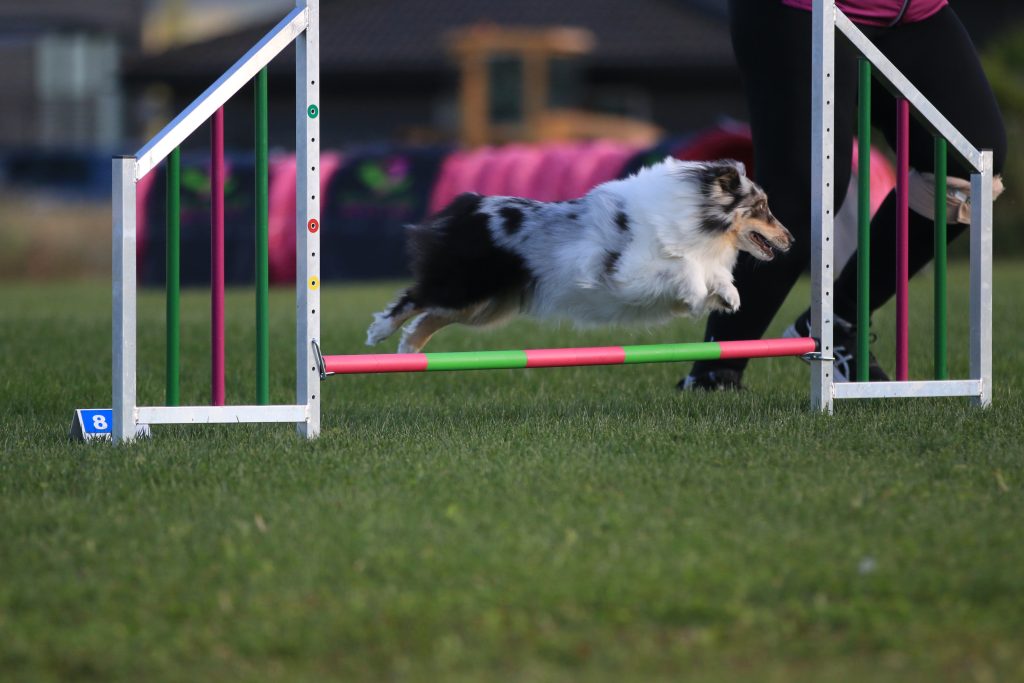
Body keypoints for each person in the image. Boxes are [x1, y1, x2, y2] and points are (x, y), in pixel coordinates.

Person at [681, 0, 1006, 390]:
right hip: (800, 9)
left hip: (912, 11)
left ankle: (840, 320)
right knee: (803, 199)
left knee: (966, 168)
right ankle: (715, 369)